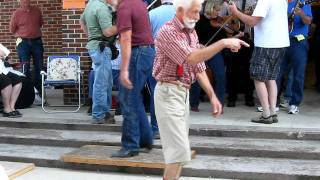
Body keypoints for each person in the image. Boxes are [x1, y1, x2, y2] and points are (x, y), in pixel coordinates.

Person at [153, 0, 249, 179]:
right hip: (169, 93)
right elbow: (191, 58)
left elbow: (198, 66)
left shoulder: (190, 33)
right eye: (195, 12)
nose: (198, 17)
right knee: (178, 152)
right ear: (181, 10)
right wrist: (223, 43)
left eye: (198, 12)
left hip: (181, 93)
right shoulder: (168, 32)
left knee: (179, 155)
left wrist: (212, 95)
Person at [229, 0, 290, 124]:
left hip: (266, 43)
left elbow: (252, 22)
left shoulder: (264, 1)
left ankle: (266, 114)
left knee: (258, 78)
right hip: (280, 43)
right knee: (271, 78)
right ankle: (272, 112)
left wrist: (236, 12)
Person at [111, 0, 156, 158]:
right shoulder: (139, 2)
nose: (108, 2)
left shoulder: (125, 6)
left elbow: (126, 39)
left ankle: (130, 146)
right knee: (134, 98)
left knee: (127, 98)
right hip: (147, 52)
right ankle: (145, 139)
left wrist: (123, 70)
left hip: (137, 53)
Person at [80, 0, 118, 124]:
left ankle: (104, 112)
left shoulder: (90, 5)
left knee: (106, 82)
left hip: (96, 46)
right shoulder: (102, 8)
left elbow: (82, 21)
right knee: (102, 83)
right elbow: (107, 31)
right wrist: (122, 25)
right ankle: (99, 115)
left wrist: (90, 36)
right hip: (101, 47)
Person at [190, 0, 228, 112]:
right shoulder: (199, 20)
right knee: (197, 77)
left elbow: (223, 39)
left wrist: (233, 36)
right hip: (201, 52)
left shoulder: (219, 23)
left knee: (221, 76)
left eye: (219, 10)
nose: (218, 12)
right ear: (210, 9)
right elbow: (192, 36)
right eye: (216, 10)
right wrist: (198, 44)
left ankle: (220, 105)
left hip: (215, 53)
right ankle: (194, 103)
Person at [277, 0, 312, 114]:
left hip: (298, 42)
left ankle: (294, 103)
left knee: (298, 74)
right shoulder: (280, 3)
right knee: (277, 73)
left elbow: (308, 21)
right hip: (281, 41)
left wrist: (301, 13)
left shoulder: (303, 3)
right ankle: (273, 102)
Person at [220, 0, 256, 107]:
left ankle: (249, 97)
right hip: (233, 38)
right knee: (232, 70)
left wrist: (248, 14)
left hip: (249, 39)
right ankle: (231, 97)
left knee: (248, 70)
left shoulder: (255, 2)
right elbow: (220, 19)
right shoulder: (231, 2)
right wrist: (230, 27)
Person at [148, 0, 176, 139]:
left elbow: (146, 37)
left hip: (155, 54)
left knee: (156, 92)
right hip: (177, 55)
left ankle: (155, 128)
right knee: (177, 92)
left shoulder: (151, 13)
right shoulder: (181, 12)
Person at [10, 0, 44, 96]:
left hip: (37, 41)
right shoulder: (16, 13)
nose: (25, 2)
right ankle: (28, 93)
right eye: (23, 0)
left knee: (39, 67)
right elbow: (12, 29)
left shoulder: (37, 11)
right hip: (23, 43)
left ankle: (40, 94)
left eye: (27, 0)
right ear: (19, 2)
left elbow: (40, 24)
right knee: (25, 67)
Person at [0, 44, 23, 118]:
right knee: (6, 81)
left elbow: (5, 54)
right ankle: (6, 109)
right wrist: (2, 55)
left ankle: (12, 107)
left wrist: (6, 58)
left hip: (2, 70)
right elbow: (2, 54)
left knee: (17, 80)